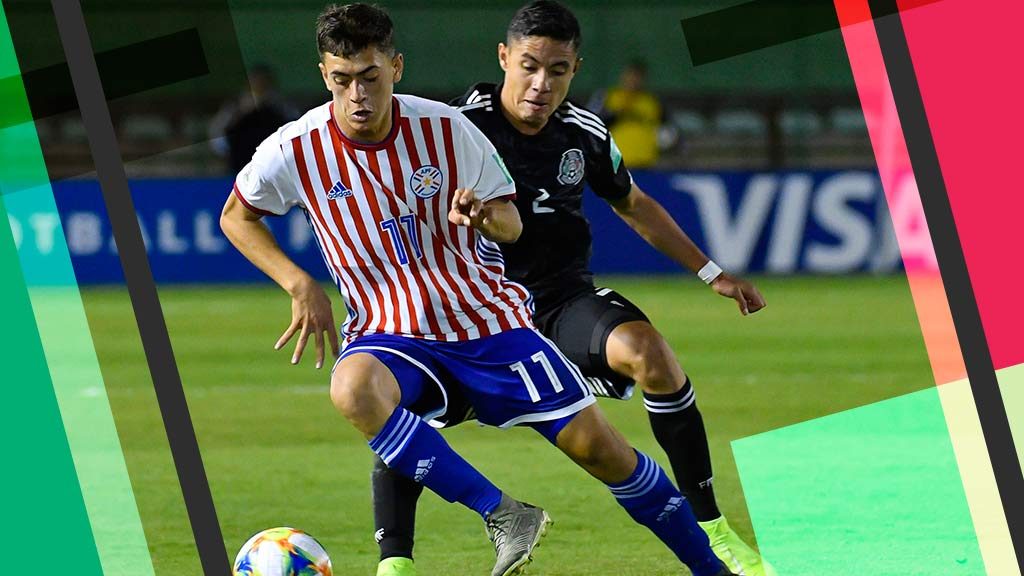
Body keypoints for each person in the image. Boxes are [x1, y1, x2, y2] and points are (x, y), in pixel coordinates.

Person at [219, 4, 735, 576]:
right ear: (324, 75)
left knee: (603, 452)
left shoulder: (448, 128)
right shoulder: (294, 147)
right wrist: (298, 283)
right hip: (390, 334)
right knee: (354, 388)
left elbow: (511, 222)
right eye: (342, 80)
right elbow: (237, 216)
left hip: (487, 323)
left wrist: (488, 217)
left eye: (370, 76)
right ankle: (501, 514)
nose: (357, 95)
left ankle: (711, 568)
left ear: (396, 67)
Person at [370, 2, 771, 576]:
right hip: (474, 311)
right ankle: (396, 564)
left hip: (561, 301)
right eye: (529, 66)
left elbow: (633, 203)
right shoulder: (454, 127)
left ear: (575, 69)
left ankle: (715, 531)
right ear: (503, 58)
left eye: (557, 70)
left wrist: (712, 272)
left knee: (651, 354)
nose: (541, 84)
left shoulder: (583, 132)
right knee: (398, 405)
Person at [209, 64, 299, 173]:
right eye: (256, 82)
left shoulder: (281, 106)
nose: (260, 86)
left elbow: (295, 127)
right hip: (241, 162)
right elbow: (218, 134)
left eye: (264, 82)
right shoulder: (236, 106)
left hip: (275, 163)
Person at [590, 59, 665, 168]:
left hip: (646, 163)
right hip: (615, 163)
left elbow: (666, 130)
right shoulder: (607, 96)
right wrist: (616, 113)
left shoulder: (652, 101)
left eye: (637, 77)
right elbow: (591, 124)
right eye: (630, 76)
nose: (633, 80)